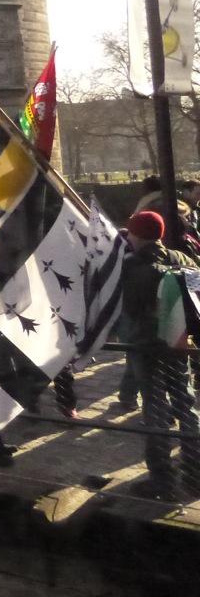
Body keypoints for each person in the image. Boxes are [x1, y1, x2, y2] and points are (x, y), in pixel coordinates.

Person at [121, 210, 200, 500]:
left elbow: (130, 309)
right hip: (178, 344)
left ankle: (162, 480)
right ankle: (195, 472)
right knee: (187, 406)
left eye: (131, 232)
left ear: (137, 235)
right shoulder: (183, 260)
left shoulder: (132, 267)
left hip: (148, 347)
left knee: (155, 410)